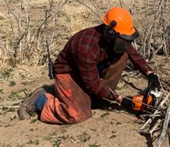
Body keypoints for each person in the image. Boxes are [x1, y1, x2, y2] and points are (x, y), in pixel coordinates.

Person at [17, 7, 160, 124]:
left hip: (90, 71)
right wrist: (122, 100)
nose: (126, 43)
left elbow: (132, 52)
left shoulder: (116, 40)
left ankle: (95, 98)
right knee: (78, 114)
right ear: (110, 33)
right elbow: (93, 84)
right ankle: (41, 100)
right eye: (123, 40)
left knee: (122, 56)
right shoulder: (86, 48)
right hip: (69, 73)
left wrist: (150, 74)